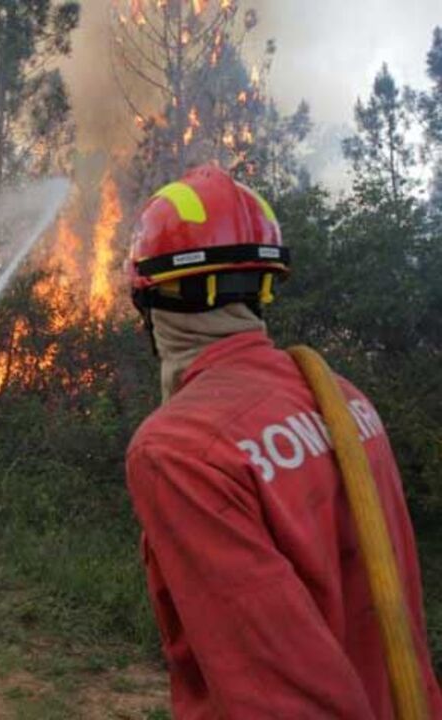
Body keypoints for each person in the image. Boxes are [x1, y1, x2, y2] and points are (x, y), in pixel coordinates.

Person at [124, 165, 442, 718]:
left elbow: (282, 698)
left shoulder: (176, 450)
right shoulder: (342, 397)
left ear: (147, 302)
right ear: (263, 289)